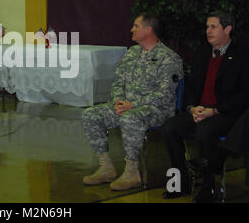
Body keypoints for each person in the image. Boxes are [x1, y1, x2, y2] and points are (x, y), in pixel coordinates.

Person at [82, 13, 183, 191]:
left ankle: (132, 171)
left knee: (130, 117)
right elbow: (118, 82)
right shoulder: (132, 53)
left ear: (148, 30)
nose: (131, 29)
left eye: (136, 26)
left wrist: (132, 105)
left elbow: (165, 94)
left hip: (156, 110)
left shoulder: (168, 58)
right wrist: (118, 101)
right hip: (126, 107)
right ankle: (106, 167)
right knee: (90, 114)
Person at [161, 11, 249, 202]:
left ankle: (208, 189)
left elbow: (244, 95)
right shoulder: (202, 53)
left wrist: (215, 110)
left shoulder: (241, 55)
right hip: (200, 110)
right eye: (207, 26)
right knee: (169, 128)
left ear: (227, 29)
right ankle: (179, 182)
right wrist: (192, 107)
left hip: (225, 113)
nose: (208, 31)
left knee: (204, 131)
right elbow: (191, 85)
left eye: (213, 27)